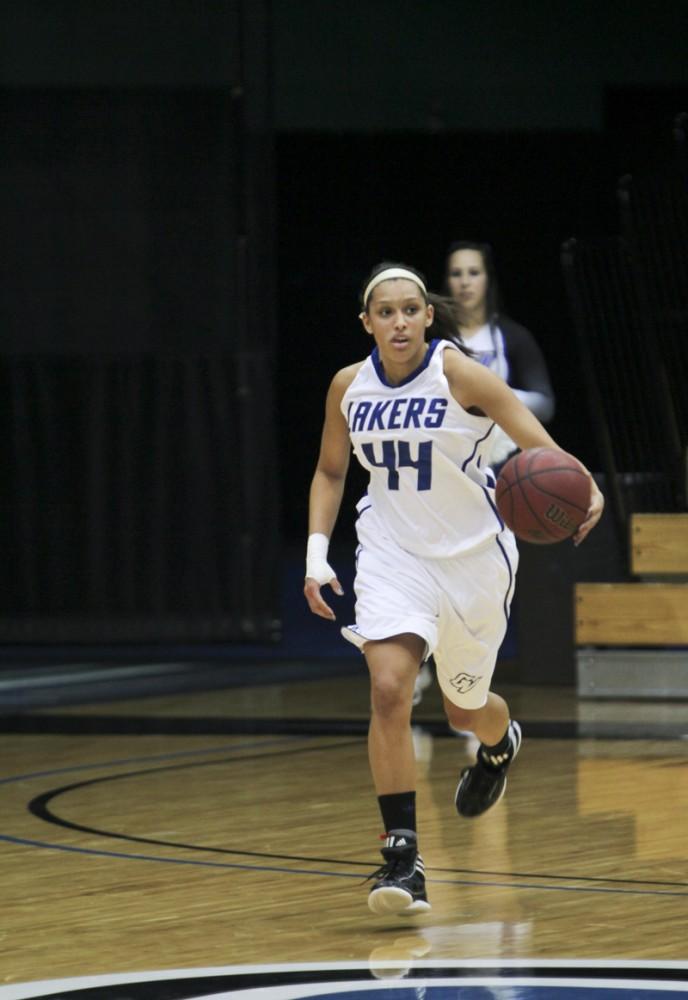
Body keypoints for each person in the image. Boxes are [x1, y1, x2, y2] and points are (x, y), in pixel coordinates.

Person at [303, 262, 604, 917]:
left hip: (473, 562)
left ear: (427, 316)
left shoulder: (460, 373)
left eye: (410, 309)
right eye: (386, 312)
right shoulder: (348, 387)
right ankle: (403, 858)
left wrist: (585, 485)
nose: (400, 321)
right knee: (389, 687)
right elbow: (330, 472)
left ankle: (499, 746)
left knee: (466, 712)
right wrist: (316, 555)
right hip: (392, 553)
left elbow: (539, 448)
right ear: (368, 323)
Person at [444, 240, 555, 472]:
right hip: (449, 460)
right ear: (447, 280)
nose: (465, 282)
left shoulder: (514, 336)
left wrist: (491, 395)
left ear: (488, 279)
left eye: (474, 273)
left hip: (505, 464)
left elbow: (545, 405)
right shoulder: (436, 339)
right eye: (457, 274)